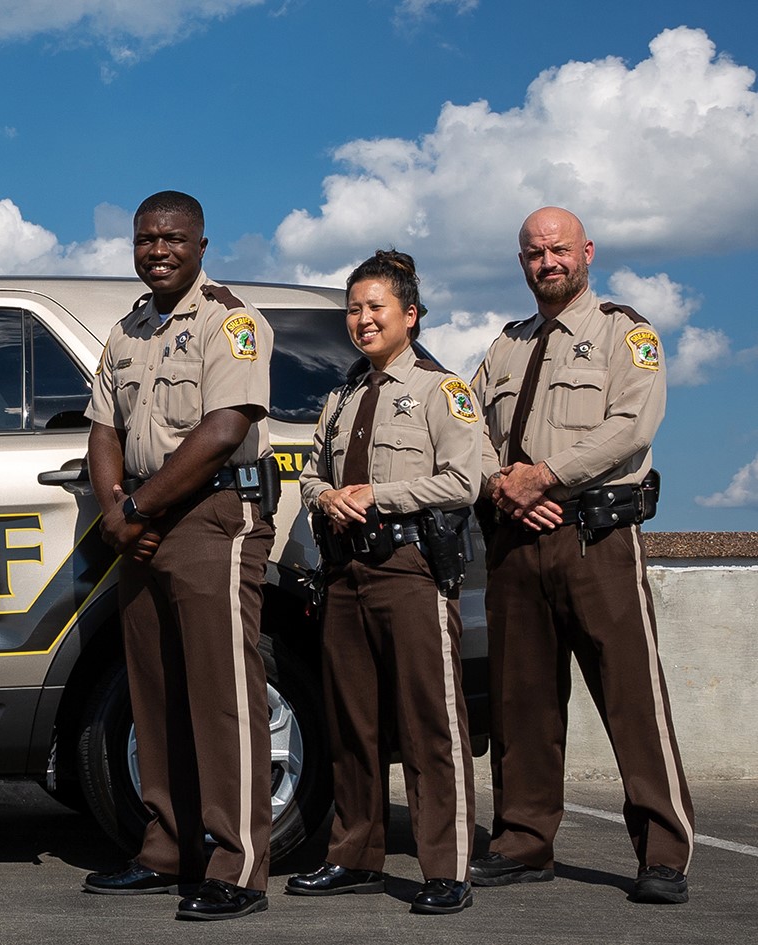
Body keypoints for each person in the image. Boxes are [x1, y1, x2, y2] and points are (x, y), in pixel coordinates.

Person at [468, 207, 694, 904]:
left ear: (585, 251)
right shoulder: (504, 346)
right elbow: (467, 427)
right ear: (521, 262)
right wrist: (502, 484)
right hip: (515, 540)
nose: (547, 262)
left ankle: (661, 851)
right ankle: (522, 840)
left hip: (594, 538)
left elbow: (631, 426)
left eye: (558, 249)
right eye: (534, 253)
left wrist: (546, 474)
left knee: (630, 698)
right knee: (520, 702)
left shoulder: (625, 333)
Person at [79, 191, 279, 921]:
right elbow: (104, 427)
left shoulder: (231, 321)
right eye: (144, 238)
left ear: (199, 243)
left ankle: (239, 865)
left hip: (212, 520)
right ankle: (166, 846)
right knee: (154, 693)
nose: (156, 249)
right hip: (142, 526)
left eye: (170, 238)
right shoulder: (127, 330)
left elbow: (224, 429)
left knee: (223, 696)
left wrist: (136, 508)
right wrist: (114, 510)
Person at [291, 251, 479, 914]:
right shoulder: (340, 398)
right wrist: (326, 497)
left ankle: (444, 867)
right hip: (345, 573)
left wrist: (380, 495)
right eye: (353, 308)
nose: (362, 319)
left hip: (409, 571)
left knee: (431, 724)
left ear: (410, 314)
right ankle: (352, 855)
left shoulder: (440, 389)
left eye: (375, 307)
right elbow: (311, 473)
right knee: (352, 725)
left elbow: (463, 481)